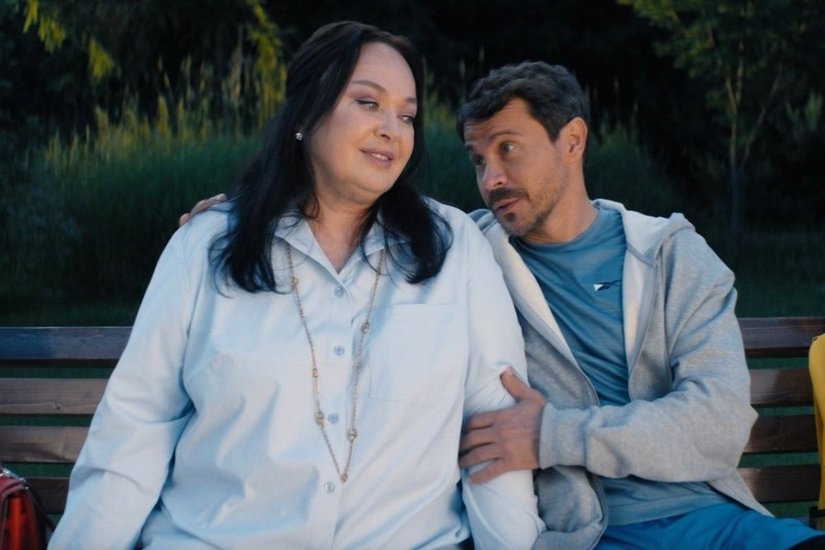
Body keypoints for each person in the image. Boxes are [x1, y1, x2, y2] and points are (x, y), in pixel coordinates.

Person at [49, 22, 544, 549]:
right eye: (368, 103)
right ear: (307, 112)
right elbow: (134, 430)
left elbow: (495, 433)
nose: (392, 129)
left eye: (406, 115)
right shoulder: (207, 245)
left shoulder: (455, 247)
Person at [454, 61, 825, 549]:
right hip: (594, 536)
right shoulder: (471, 262)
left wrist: (551, 434)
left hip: (717, 523)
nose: (491, 179)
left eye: (507, 148)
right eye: (478, 160)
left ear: (572, 140)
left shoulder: (670, 255)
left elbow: (719, 421)